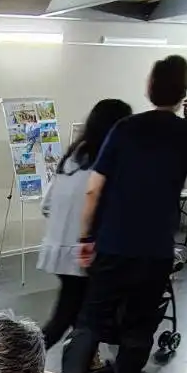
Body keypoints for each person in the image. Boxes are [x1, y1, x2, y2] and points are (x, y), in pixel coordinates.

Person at [62, 56, 187, 373]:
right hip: (156, 249)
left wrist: (86, 238)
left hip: (113, 243)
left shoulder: (125, 129)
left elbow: (94, 189)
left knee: (91, 319)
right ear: (183, 92)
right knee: (140, 321)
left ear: (150, 87)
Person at [38, 98, 133, 352]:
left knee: (71, 314)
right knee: (73, 320)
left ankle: (84, 362)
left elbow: (46, 205)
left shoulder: (72, 157)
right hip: (85, 253)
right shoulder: (109, 163)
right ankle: (16, 366)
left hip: (58, 249)